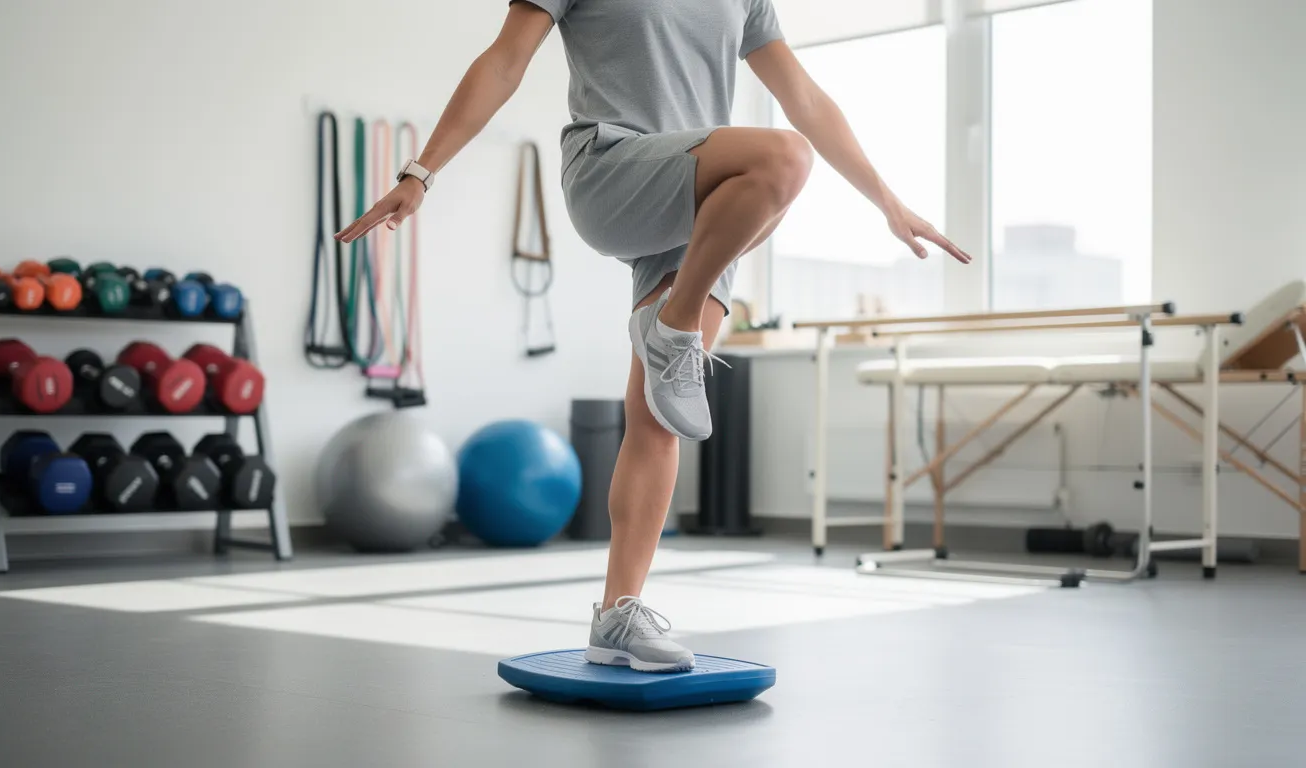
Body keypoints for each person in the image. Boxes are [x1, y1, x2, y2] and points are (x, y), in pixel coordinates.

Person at [337, 0, 971, 672]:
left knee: (658, 415)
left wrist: (888, 201)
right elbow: (504, 62)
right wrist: (421, 172)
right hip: (613, 167)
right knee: (784, 158)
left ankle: (616, 616)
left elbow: (805, 96)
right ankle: (673, 325)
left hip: (707, 207)